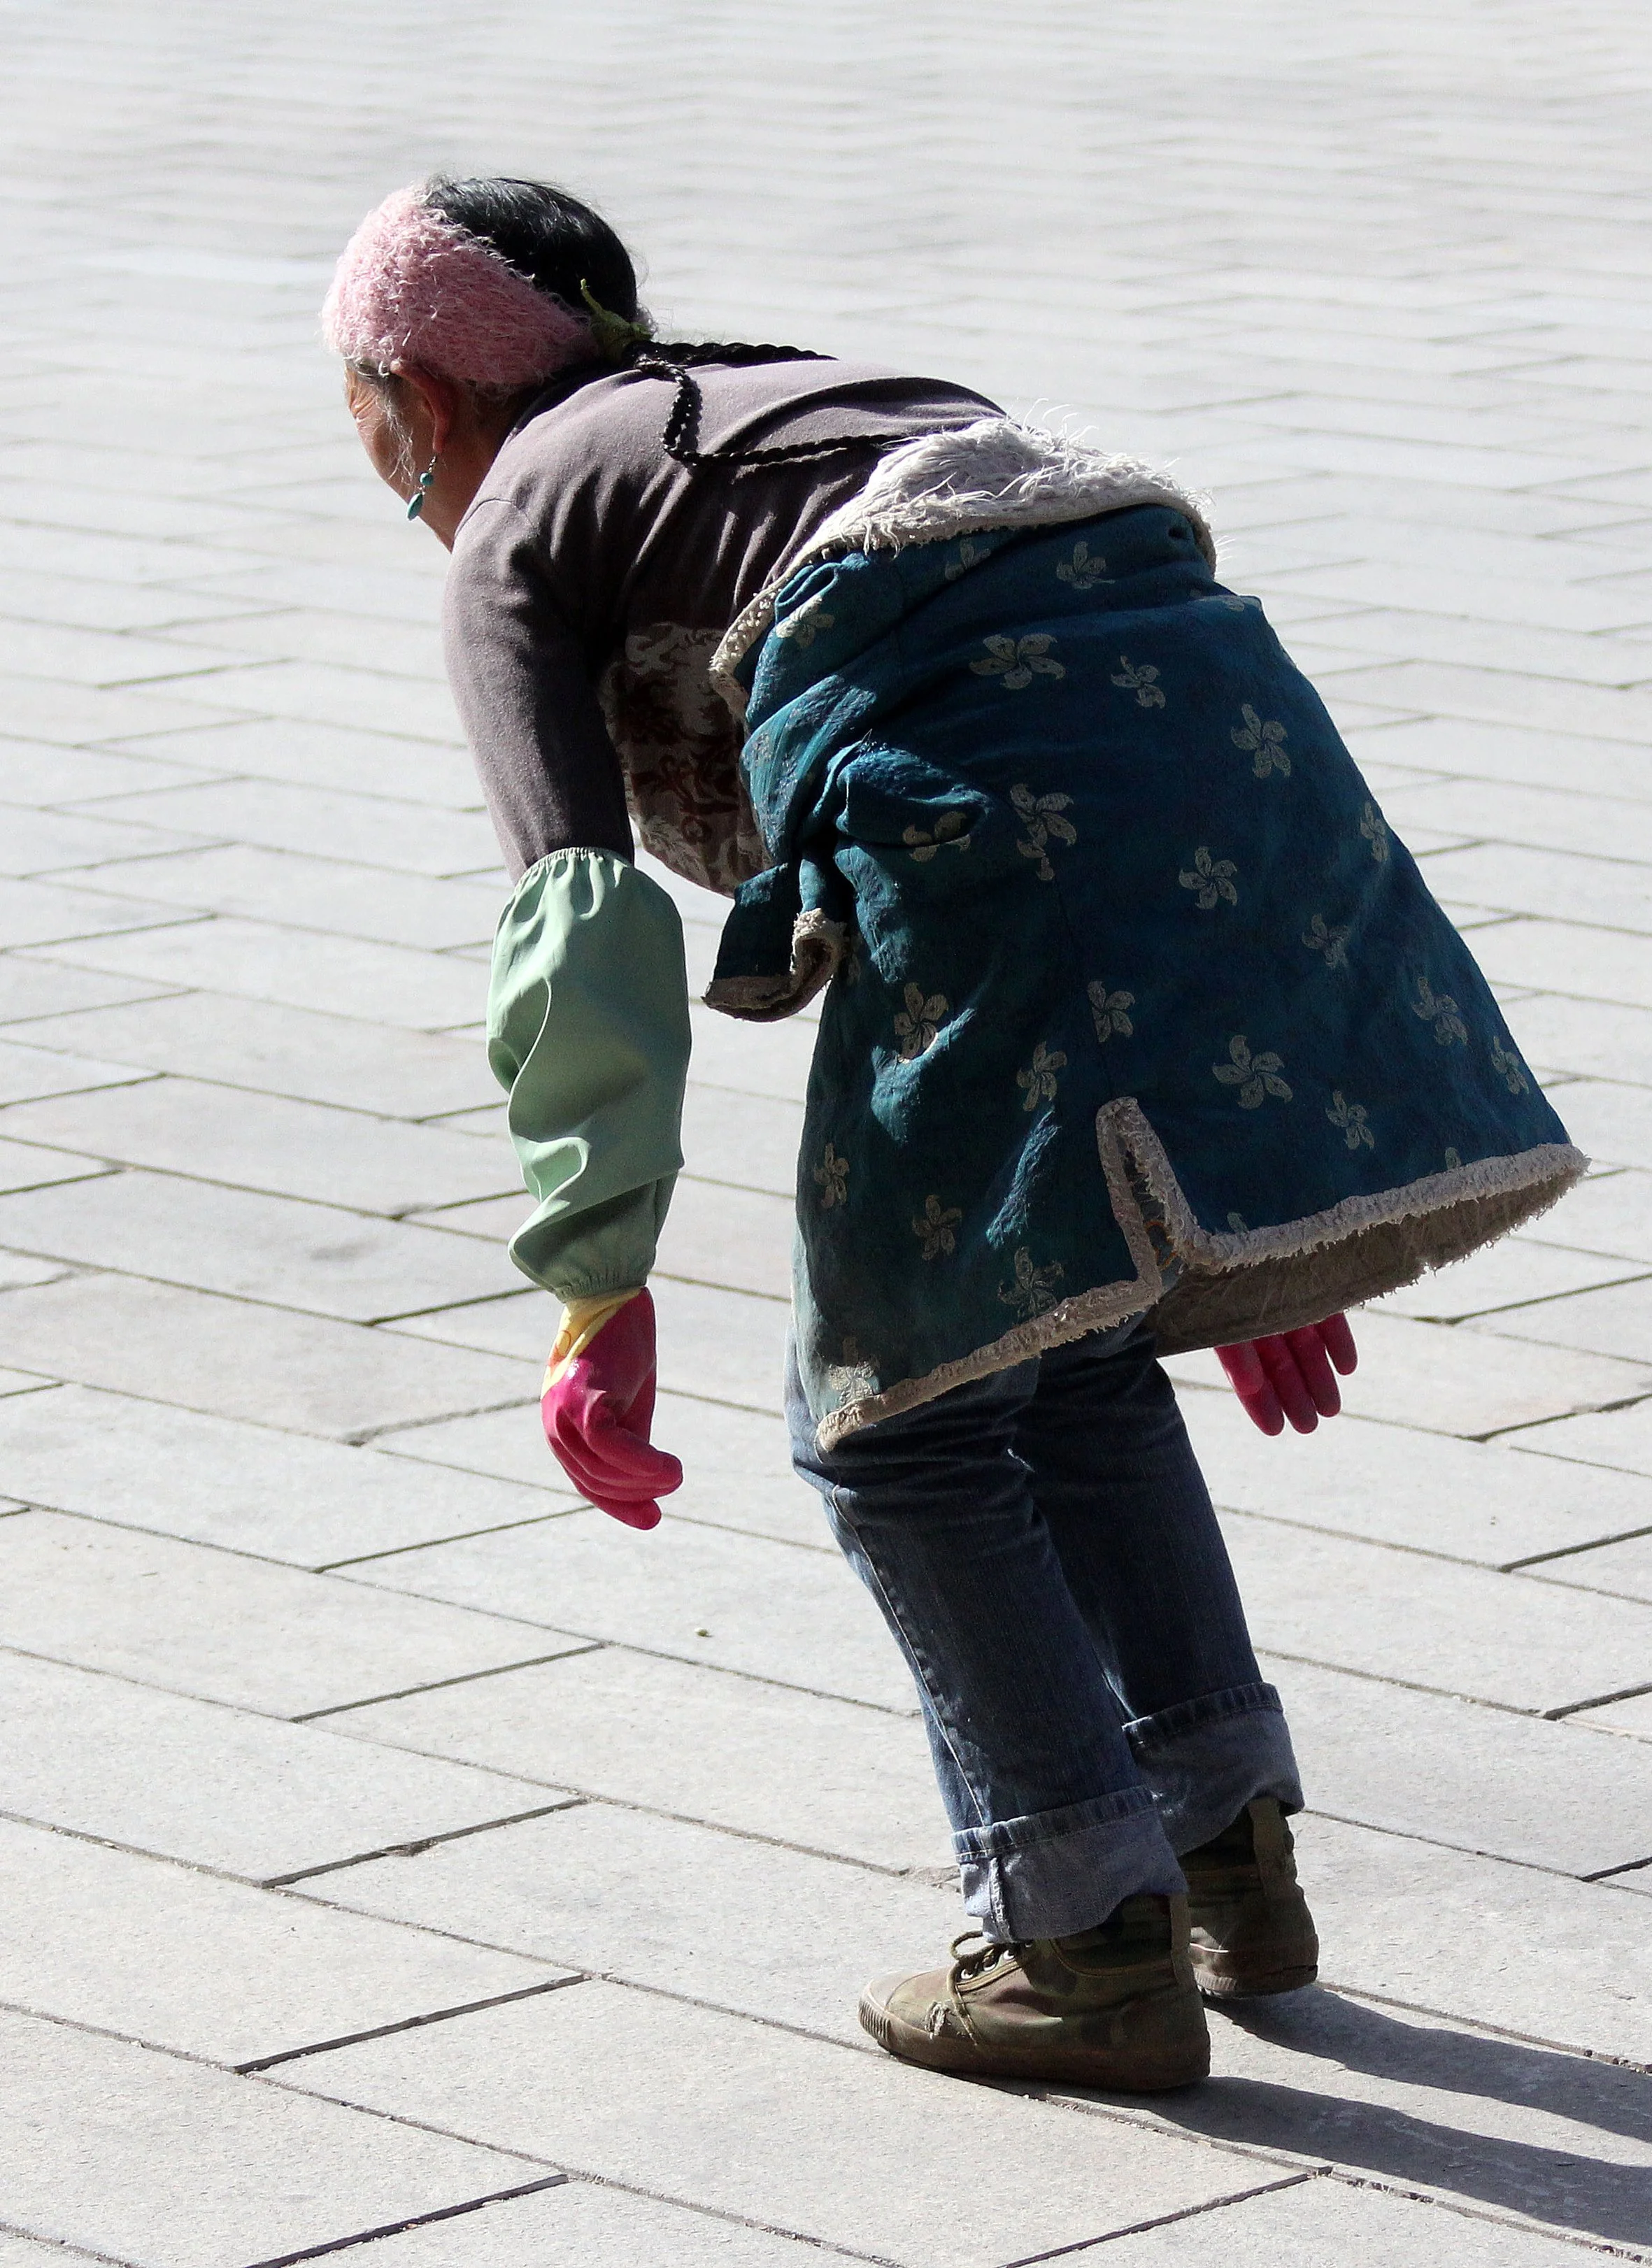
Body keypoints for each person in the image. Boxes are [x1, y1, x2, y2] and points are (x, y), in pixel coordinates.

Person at [325, 176, 1585, 2093]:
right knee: (1055, 1342)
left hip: (991, 804)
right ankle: (1217, 1856)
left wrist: (595, 1287)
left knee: (896, 1420)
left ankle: (1078, 1936)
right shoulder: (787, 399)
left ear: (406, 395)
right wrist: (1201, 1201)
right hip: (1224, 731)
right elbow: (1112, 706)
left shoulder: (513, 520)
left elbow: (578, 929)